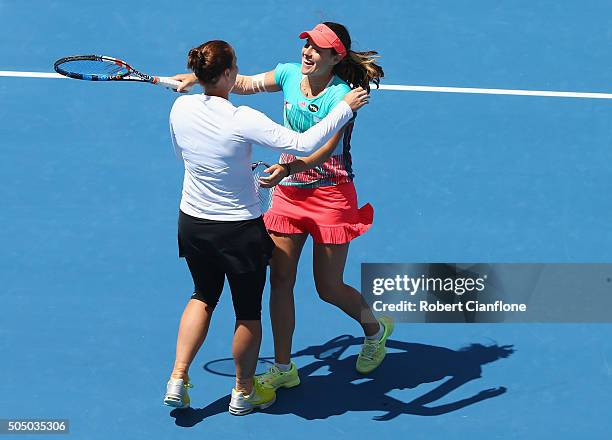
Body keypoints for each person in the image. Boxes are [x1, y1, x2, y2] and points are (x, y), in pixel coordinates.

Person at [173, 22, 392, 393]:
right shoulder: (289, 74)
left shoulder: (343, 96)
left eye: (317, 50)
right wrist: (200, 79)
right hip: (288, 192)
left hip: (330, 195)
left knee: (328, 287)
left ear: (335, 57)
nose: (307, 53)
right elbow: (241, 83)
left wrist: (290, 166)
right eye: (306, 45)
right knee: (280, 281)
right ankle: (283, 366)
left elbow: (321, 148)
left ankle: (375, 329)